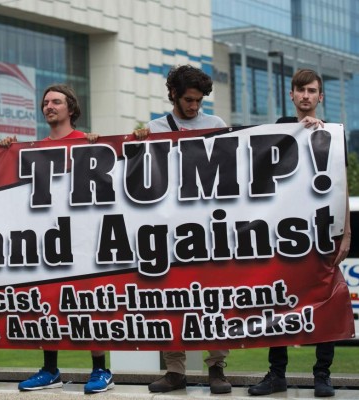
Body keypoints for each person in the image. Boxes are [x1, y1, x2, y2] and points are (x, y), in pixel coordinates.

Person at [0, 84, 110, 394]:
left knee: (86, 305)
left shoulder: (88, 142)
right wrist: (5, 149)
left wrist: (100, 145)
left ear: (71, 109)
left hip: (83, 238)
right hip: (46, 238)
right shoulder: (33, 148)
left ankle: (101, 370)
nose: (50, 106)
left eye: (57, 102)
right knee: (47, 303)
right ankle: (50, 369)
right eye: (46, 102)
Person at [248, 69, 351, 398]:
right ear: (291, 95)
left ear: (320, 96)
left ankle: (323, 374)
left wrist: (346, 233)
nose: (306, 96)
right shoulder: (278, 128)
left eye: (312, 90)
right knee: (277, 300)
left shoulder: (334, 135)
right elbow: (259, 167)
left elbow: (341, 186)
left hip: (321, 231)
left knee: (325, 301)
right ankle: (276, 373)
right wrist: (296, 132)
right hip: (282, 233)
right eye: (300, 90)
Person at [134, 65, 232, 395]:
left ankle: (216, 369)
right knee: (170, 297)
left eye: (199, 101)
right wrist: (137, 145)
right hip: (168, 227)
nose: (194, 107)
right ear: (173, 94)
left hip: (207, 225)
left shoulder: (217, 125)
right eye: (189, 100)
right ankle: (175, 371)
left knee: (212, 299)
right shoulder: (155, 128)